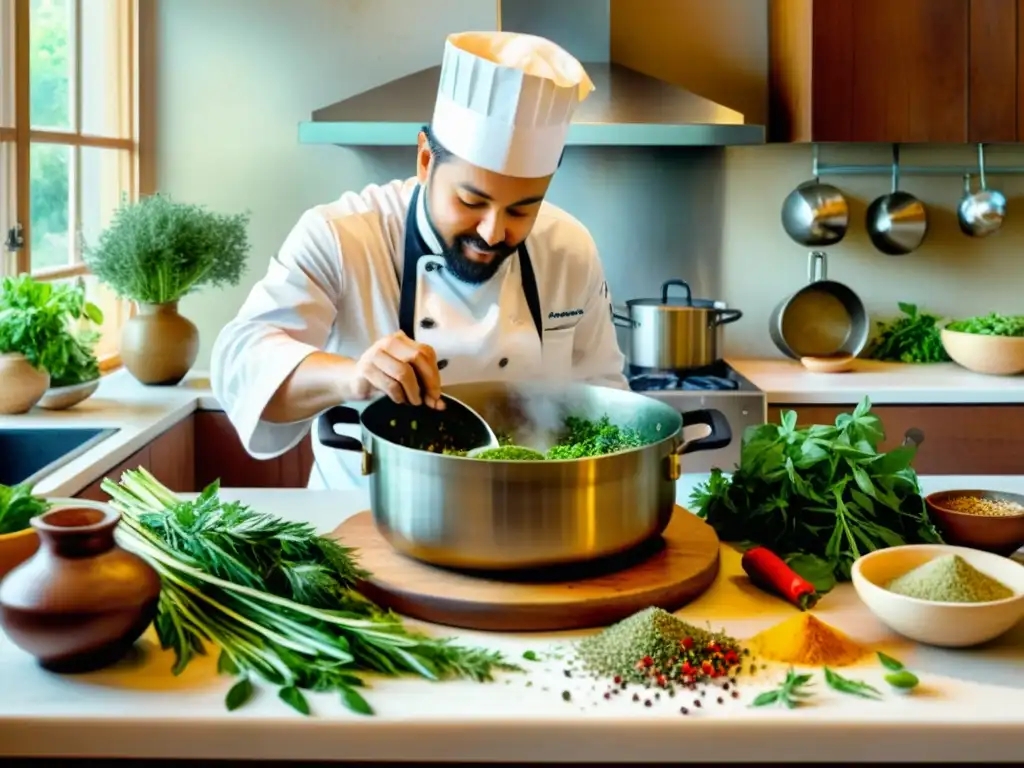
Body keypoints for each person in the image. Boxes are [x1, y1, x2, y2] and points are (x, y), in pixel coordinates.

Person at [211, 30, 628, 489]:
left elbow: (604, 396)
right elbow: (242, 362)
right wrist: (353, 377)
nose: (493, 231)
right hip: (361, 518)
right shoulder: (343, 234)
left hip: (532, 513)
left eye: (521, 209)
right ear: (426, 160)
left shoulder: (569, 246)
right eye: (471, 201)